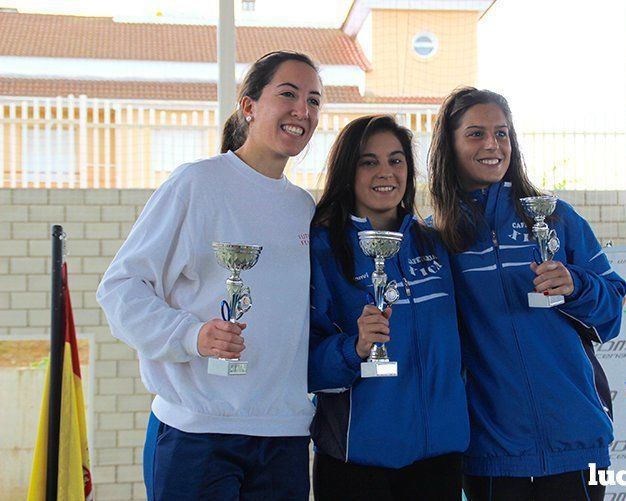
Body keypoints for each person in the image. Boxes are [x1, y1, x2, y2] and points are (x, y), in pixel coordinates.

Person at [96, 51, 323, 500]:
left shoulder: (304, 207)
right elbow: (121, 288)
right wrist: (191, 336)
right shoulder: (196, 184)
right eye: (288, 94)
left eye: (314, 100)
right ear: (249, 106)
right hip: (198, 434)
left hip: (285, 435)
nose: (303, 110)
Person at [427, 87, 626, 501]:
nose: (492, 145)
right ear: (449, 144)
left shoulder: (557, 217)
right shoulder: (436, 236)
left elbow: (611, 313)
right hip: (491, 449)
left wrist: (576, 285)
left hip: (576, 441)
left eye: (502, 133)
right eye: (476, 134)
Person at [308, 115, 470, 500]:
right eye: (369, 161)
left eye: (396, 160)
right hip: (356, 465)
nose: (386, 172)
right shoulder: (322, 250)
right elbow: (303, 365)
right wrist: (355, 348)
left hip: (439, 460)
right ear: (348, 171)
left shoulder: (436, 243)